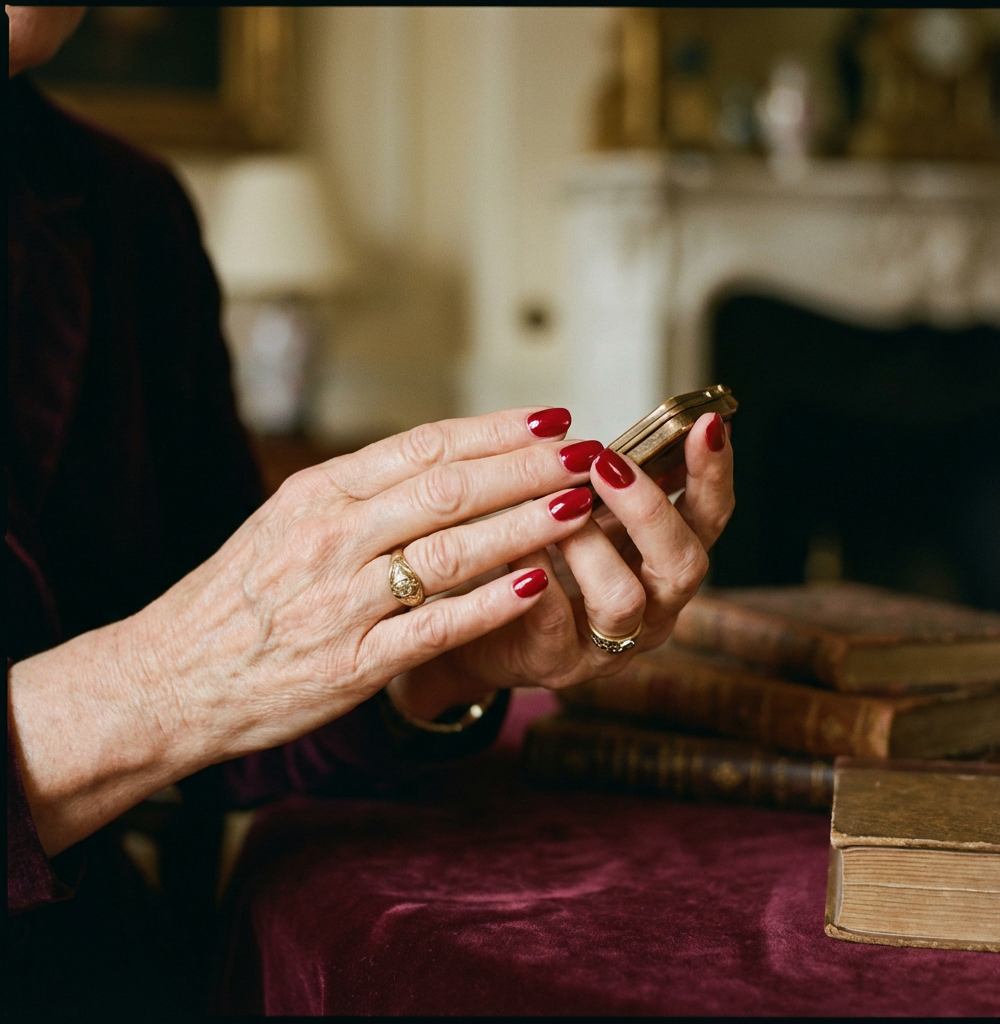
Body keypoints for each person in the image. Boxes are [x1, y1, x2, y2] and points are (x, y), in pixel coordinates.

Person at [7, 6, 735, 1017]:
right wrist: (160, 684)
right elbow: (193, 683)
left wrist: (444, 654)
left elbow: (234, 740)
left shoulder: (130, 212)